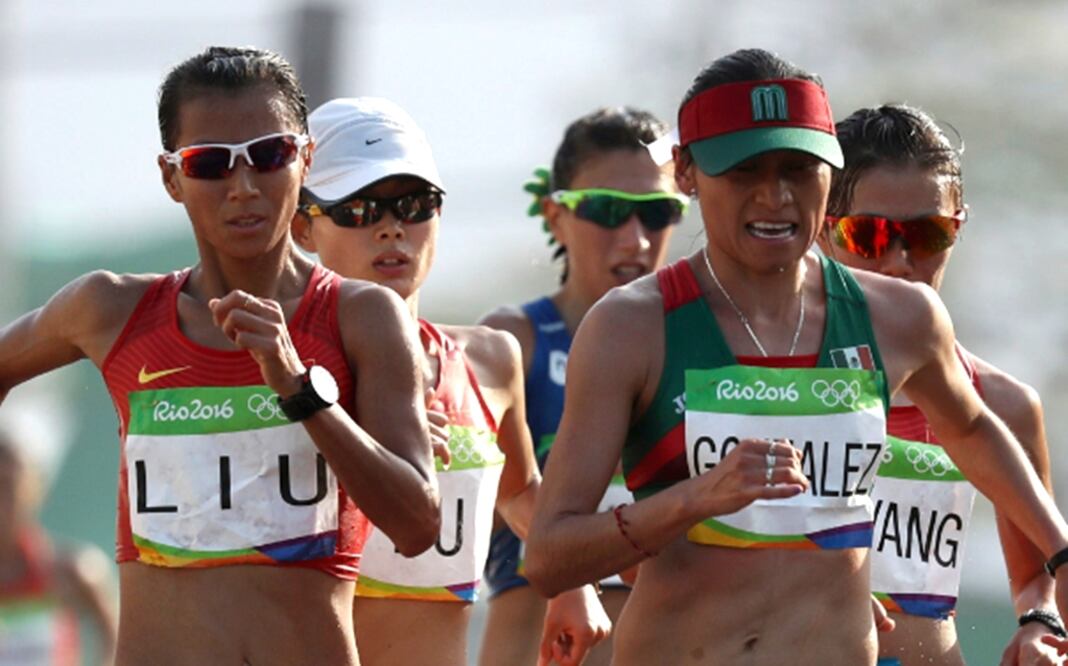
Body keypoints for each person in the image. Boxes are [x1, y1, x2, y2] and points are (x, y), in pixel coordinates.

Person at [524, 48, 1068, 665]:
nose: (776, 196)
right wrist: (693, 500)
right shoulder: (630, 326)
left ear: (830, 173)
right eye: (744, 171)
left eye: (799, 169)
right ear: (687, 173)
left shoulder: (902, 318)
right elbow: (549, 558)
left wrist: (1059, 555)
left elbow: (972, 429)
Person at [0, 46, 441, 665]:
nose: (243, 188)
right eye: (210, 163)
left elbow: (418, 525)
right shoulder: (110, 310)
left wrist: (301, 389)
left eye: (270, 155)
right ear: (172, 178)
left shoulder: (363, 317)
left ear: (305, 159)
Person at [292, 96, 609, 666]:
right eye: (360, 209)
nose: (392, 229)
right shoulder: (282, 371)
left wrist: (572, 583)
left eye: (415, 205)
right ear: (303, 228)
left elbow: (518, 492)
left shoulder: (489, 359)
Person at [819, 103, 1063, 666]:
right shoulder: (765, 380)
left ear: (958, 227)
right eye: (870, 234)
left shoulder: (1002, 404)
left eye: (929, 234)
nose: (900, 263)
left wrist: (1039, 626)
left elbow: (1037, 580)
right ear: (825, 232)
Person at [477, 106, 686, 666]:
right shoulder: (511, 340)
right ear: (555, 214)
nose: (635, 239)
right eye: (608, 210)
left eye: (657, 212)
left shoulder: (703, 347)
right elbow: (459, 508)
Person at [0, 429, 117, 665]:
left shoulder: (71, 571)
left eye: (9, 485)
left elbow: (116, 639)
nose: (3, 500)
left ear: (34, 490)